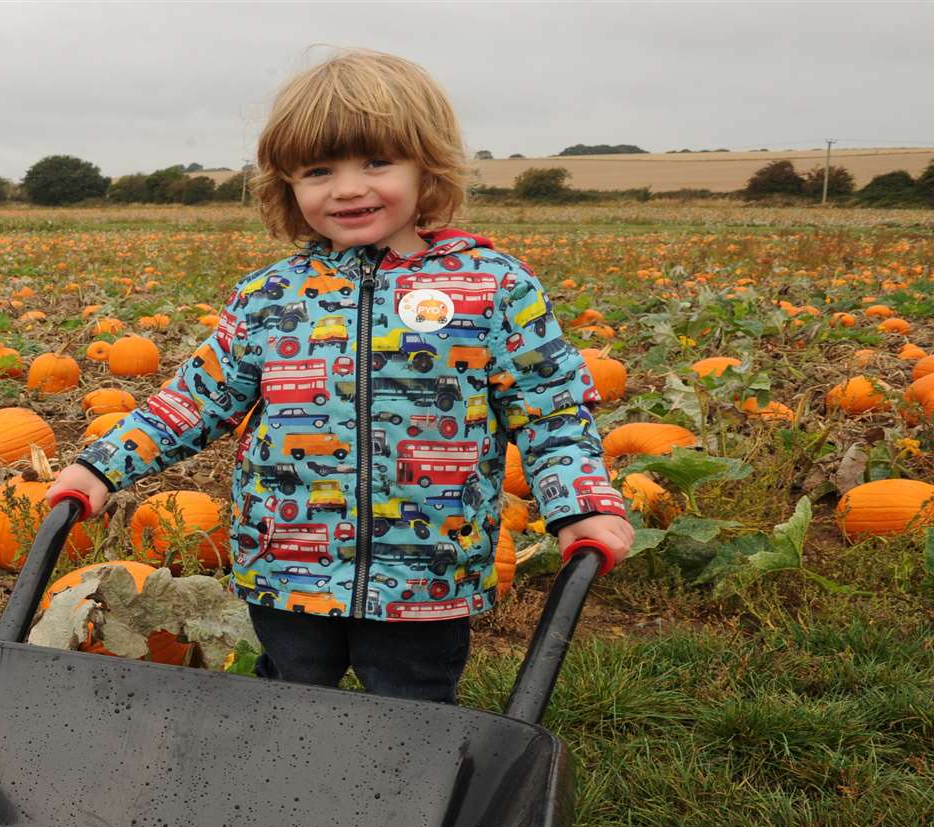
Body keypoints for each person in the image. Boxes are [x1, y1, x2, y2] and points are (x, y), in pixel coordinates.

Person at [46, 48, 634, 704]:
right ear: (288, 185)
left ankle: (406, 801)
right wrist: (101, 466)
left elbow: (551, 409)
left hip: (427, 570)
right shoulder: (271, 297)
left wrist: (578, 503)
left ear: (426, 166)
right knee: (287, 701)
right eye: (320, 170)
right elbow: (197, 398)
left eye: (376, 162)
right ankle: (282, 798)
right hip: (286, 558)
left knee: (412, 709)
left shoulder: (491, 288)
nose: (347, 188)